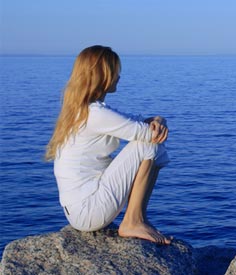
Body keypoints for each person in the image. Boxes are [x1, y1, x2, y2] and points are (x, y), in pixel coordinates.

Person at [45, 45, 172, 245]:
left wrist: (158, 119)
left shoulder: (85, 110)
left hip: (81, 210)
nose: (119, 76)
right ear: (103, 75)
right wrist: (158, 123)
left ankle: (138, 218)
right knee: (149, 146)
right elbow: (148, 134)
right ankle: (133, 220)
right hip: (88, 210)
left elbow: (138, 122)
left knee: (148, 144)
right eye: (115, 70)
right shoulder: (95, 114)